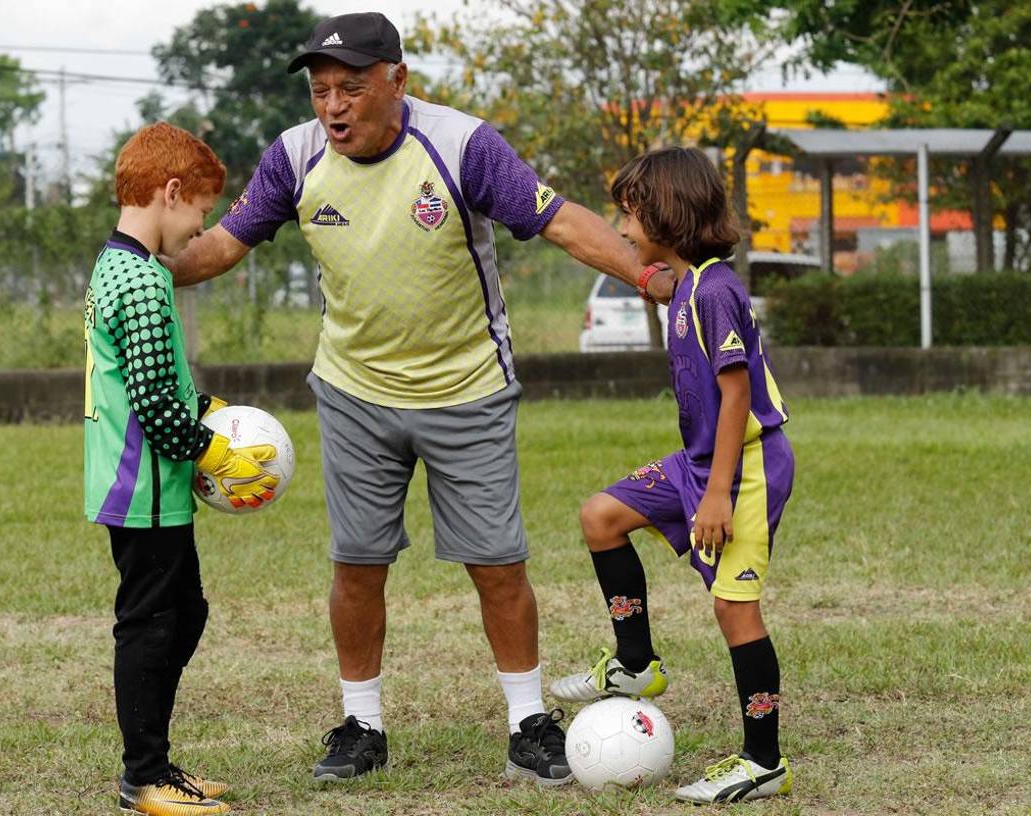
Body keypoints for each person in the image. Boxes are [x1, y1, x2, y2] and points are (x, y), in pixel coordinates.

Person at [167, 12, 675, 787]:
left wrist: (645, 274)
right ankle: (361, 725)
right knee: (357, 563)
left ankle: (527, 722)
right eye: (320, 91)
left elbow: (559, 220)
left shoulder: (464, 146)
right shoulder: (294, 157)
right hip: (353, 392)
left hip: (467, 389)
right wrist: (140, 256)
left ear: (397, 81)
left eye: (350, 88)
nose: (332, 106)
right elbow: (219, 247)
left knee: (496, 564)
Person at [548, 146, 795, 803]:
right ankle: (635, 662)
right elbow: (654, 281)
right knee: (601, 517)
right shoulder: (685, 284)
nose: (624, 229)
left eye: (630, 216)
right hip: (700, 463)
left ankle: (763, 761)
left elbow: (737, 394)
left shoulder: (714, 291)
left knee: (734, 609)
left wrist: (716, 495)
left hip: (744, 467)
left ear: (667, 215)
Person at [83, 122, 281, 816]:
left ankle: (157, 762)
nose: (200, 229)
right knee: (150, 625)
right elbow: (156, 408)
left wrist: (211, 409)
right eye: (200, 211)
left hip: (152, 488)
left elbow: (160, 382)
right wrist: (217, 451)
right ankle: (143, 778)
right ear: (170, 193)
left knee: (184, 614)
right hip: (141, 487)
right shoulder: (141, 279)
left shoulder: (122, 266)